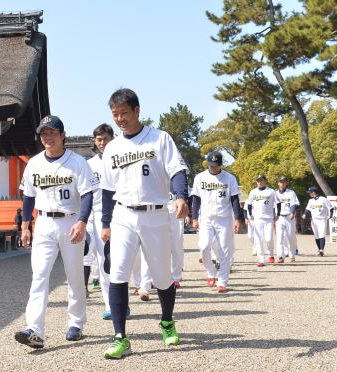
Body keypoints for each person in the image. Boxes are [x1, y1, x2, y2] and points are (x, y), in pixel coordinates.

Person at [100, 88, 189, 359]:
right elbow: (106, 189)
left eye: (124, 113)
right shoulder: (113, 147)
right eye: (115, 115)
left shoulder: (160, 138)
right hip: (124, 215)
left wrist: (182, 196)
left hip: (155, 213)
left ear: (137, 110)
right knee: (117, 274)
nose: (120, 119)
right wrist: (105, 223)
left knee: (162, 277)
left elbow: (177, 170)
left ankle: (166, 321)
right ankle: (120, 337)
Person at [14, 115, 98, 349]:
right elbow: (28, 196)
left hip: (70, 220)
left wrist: (82, 222)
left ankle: (76, 323)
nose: (47, 136)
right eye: (44, 133)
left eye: (52, 132)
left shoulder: (78, 162)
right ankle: (35, 329)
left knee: (74, 276)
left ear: (62, 135)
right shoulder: (34, 163)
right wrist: (25, 225)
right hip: (44, 222)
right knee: (39, 275)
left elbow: (88, 194)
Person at [191, 151, 241, 293]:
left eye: (216, 166)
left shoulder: (229, 178)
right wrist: (195, 218)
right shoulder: (200, 178)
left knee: (224, 250)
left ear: (221, 165)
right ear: (208, 164)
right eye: (211, 165)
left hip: (224, 218)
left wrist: (237, 219)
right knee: (204, 247)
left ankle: (222, 281)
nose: (213, 168)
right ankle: (211, 271)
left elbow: (235, 199)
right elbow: (196, 199)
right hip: (206, 218)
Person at [85, 123, 114, 319]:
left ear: (112, 138)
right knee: (102, 259)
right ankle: (110, 304)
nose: (102, 142)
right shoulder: (89, 164)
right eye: (99, 139)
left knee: (116, 260)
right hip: (94, 215)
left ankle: (120, 299)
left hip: (118, 213)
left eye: (105, 138)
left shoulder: (120, 159)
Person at [246, 175, 279, 266]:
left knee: (269, 238)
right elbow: (249, 203)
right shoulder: (253, 192)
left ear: (265, 181)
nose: (259, 182)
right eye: (258, 180)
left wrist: (278, 214)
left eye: (261, 180)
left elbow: (278, 203)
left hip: (268, 218)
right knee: (258, 239)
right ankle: (261, 259)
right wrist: (250, 214)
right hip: (257, 218)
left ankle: (271, 254)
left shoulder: (271, 191)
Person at [302, 186, 333, 256]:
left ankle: (322, 249)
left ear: (313, 192)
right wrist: (304, 214)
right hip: (314, 220)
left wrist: (330, 215)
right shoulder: (310, 201)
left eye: (310, 192)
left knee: (322, 234)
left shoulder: (323, 199)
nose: (309, 194)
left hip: (322, 219)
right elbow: (307, 209)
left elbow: (331, 208)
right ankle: (319, 250)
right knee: (316, 235)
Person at [275, 177, 300, 263]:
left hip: (289, 217)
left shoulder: (291, 192)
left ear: (286, 183)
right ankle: (280, 256)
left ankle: (292, 255)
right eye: (281, 182)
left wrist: (292, 212)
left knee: (291, 237)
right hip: (279, 217)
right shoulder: (275, 193)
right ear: (278, 183)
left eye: (284, 182)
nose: (282, 183)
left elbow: (295, 203)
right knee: (280, 237)